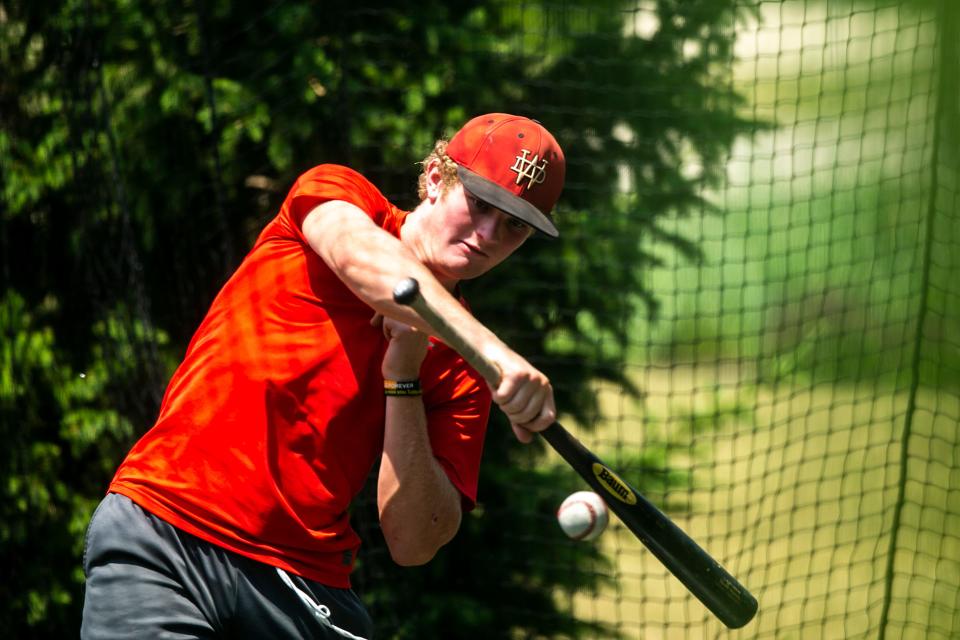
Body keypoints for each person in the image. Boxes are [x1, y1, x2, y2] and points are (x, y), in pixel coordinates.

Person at [80, 113, 566, 639]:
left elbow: (414, 540)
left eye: (515, 225)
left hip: (301, 586)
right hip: (164, 529)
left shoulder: (461, 370)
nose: (490, 234)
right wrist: (495, 354)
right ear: (435, 178)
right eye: (480, 203)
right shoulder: (339, 193)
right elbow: (367, 261)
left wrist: (403, 377)